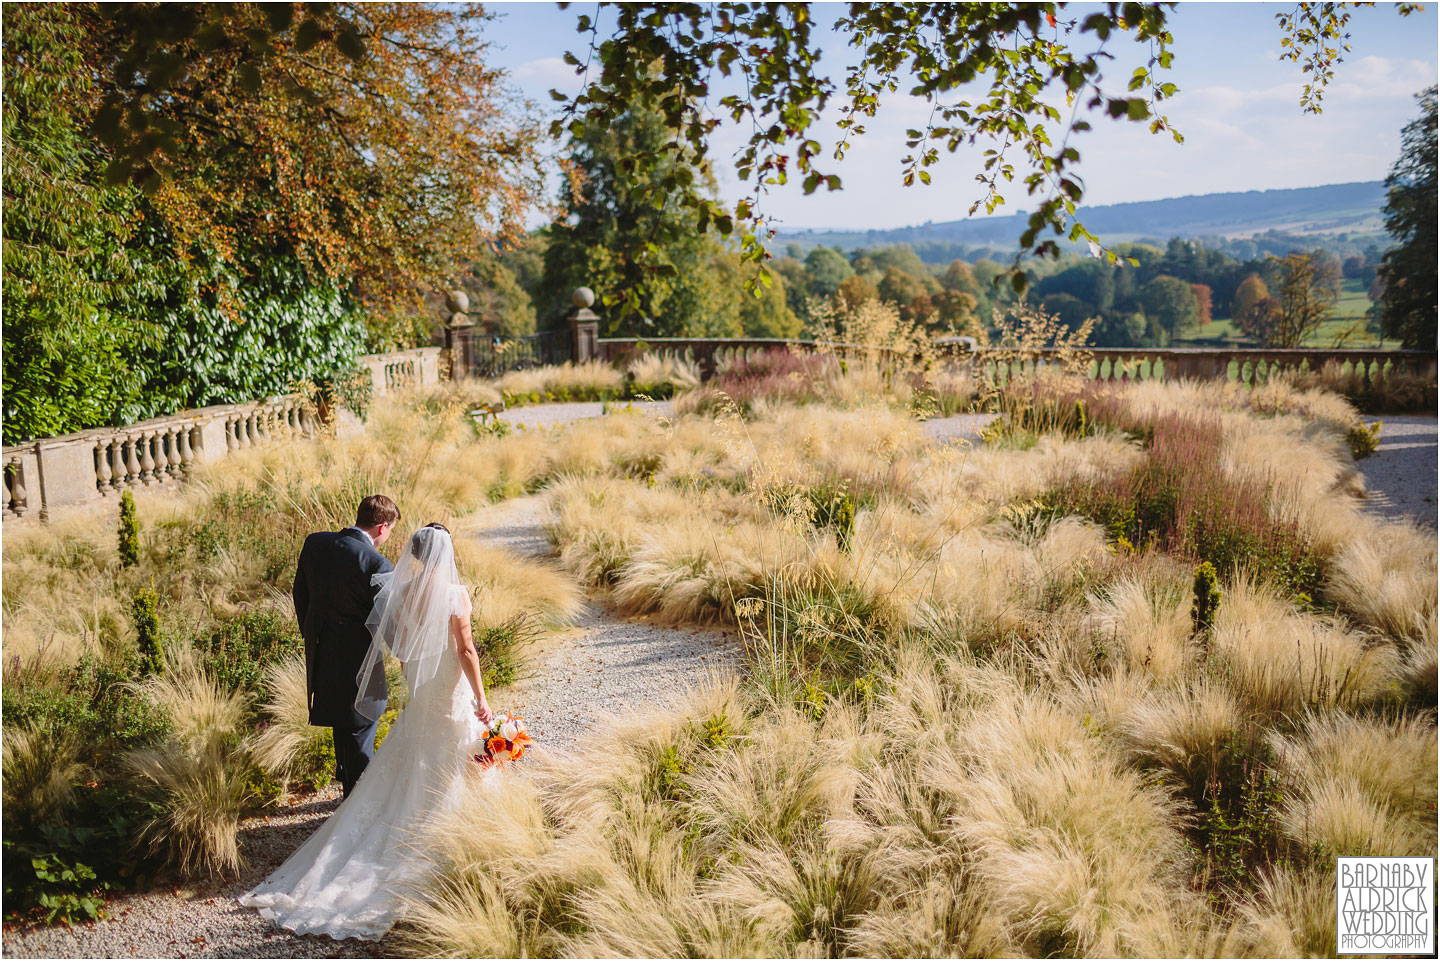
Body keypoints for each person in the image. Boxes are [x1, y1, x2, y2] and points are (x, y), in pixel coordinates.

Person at [241, 523, 496, 940]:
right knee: (451, 745)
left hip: (420, 684)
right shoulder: (455, 594)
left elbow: (398, 646)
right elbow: (466, 649)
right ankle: (454, 835)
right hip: (448, 682)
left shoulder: (402, 590)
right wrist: (482, 698)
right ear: (445, 553)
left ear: (413, 553)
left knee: (415, 745)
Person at [292, 494, 400, 798]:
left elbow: (300, 593)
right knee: (362, 725)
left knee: (342, 722)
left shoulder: (315, 544)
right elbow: (388, 621)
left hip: (322, 656)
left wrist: (312, 633)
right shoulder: (377, 563)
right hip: (360, 665)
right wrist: (406, 654)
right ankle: (358, 804)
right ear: (382, 527)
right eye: (390, 530)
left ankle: (348, 787)